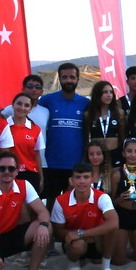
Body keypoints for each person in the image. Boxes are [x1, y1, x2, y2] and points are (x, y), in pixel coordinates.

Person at [51, 162, 121, 270]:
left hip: (96, 240)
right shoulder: (61, 200)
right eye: (78, 177)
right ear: (71, 180)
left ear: (92, 179)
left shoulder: (102, 197)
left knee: (112, 229)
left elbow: (114, 223)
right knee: (78, 246)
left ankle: (106, 267)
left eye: (86, 177)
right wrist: (74, 236)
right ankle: (73, 263)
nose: (82, 181)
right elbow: (57, 231)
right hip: (75, 242)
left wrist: (82, 233)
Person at [40, 63, 90, 201]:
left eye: (72, 77)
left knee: (75, 204)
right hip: (52, 163)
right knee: (51, 202)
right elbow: (28, 109)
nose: (69, 80)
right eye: (65, 77)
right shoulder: (47, 100)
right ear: (60, 78)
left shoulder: (85, 103)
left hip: (77, 165)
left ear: (77, 79)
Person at [109, 138, 136, 266]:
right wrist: (118, 200)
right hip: (122, 214)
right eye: (129, 151)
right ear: (123, 153)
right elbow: (110, 199)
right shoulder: (116, 174)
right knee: (120, 261)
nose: (133, 155)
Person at [7, 92, 46, 193]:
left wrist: (41, 177)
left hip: (30, 175)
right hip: (8, 173)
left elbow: (37, 154)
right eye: (19, 103)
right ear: (13, 105)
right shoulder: (3, 126)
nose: (22, 107)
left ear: (30, 109)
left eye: (27, 105)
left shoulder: (35, 129)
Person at [83, 80, 124, 164]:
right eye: (105, 92)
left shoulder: (119, 113)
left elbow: (122, 135)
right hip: (96, 154)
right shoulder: (88, 114)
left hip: (115, 152)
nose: (109, 95)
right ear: (97, 94)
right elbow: (86, 137)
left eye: (111, 92)